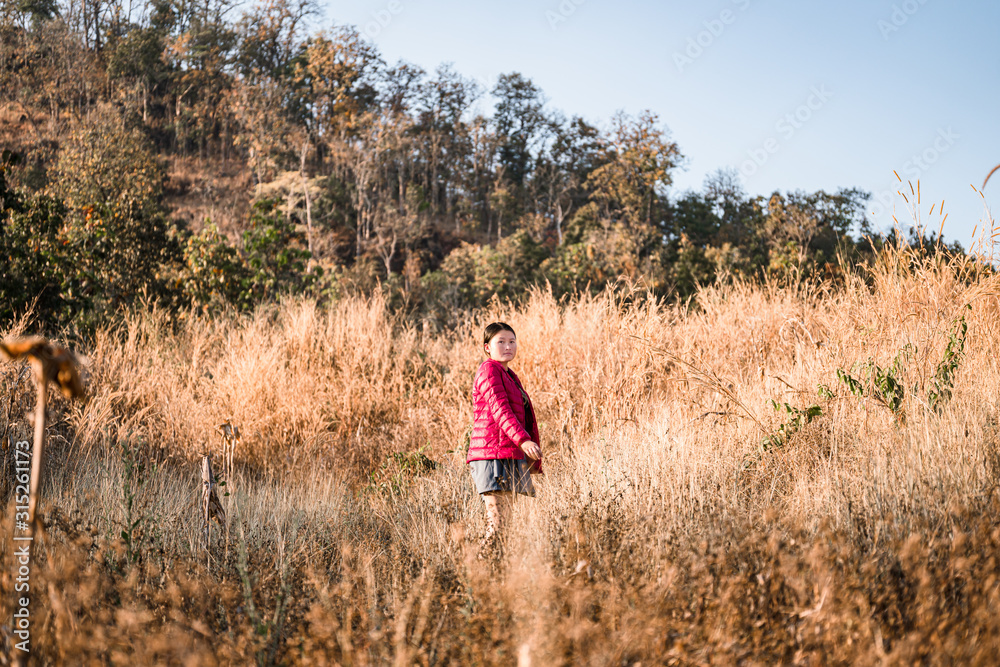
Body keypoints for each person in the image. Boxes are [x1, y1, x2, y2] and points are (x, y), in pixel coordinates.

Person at [467, 322, 542, 555]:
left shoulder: (510, 375)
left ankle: (495, 575)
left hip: (507, 454)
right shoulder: (488, 370)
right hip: (492, 455)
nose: (508, 346)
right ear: (487, 347)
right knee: (497, 524)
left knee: (506, 526)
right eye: (500, 342)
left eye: (512, 341)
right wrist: (524, 440)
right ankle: (478, 572)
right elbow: (500, 410)